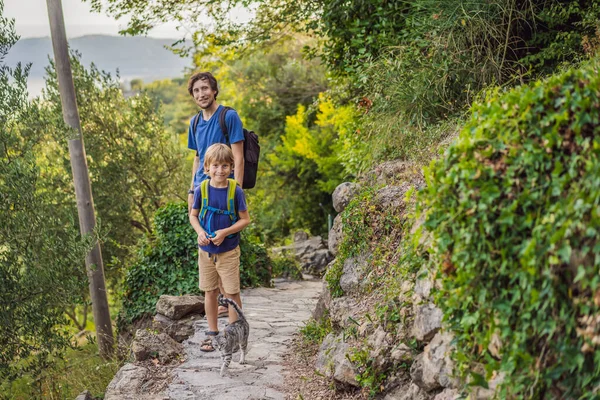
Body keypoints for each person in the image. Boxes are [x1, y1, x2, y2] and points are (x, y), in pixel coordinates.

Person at [186, 71, 245, 317]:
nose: (201, 94)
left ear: (214, 90)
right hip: (203, 193)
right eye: (196, 90)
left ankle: (229, 306)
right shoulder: (195, 122)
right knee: (208, 245)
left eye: (205, 88)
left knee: (227, 246)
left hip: (225, 191)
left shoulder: (228, 116)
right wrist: (191, 189)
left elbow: (238, 156)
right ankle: (221, 304)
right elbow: (198, 157)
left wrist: (236, 191)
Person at [189, 144, 250, 352]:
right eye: (215, 165)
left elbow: (245, 220)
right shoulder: (201, 189)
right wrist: (199, 232)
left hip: (229, 251)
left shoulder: (236, 191)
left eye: (225, 165)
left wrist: (225, 232)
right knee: (210, 292)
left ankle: (233, 334)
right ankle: (212, 333)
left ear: (231, 167)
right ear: (206, 168)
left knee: (232, 293)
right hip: (206, 252)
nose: (220, 170)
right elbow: (193, 215)